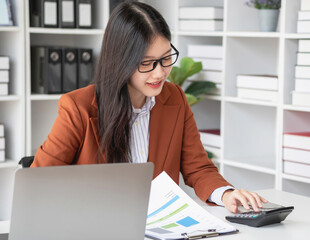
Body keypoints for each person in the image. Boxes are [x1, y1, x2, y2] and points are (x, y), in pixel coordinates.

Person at [31, 1, 267, 213]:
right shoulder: (78, 107)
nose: (160, 72)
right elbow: (39, 182)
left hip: (159, 226)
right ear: (120, 62)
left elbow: (198, 168)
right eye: (146, 63)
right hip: (96, 225)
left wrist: (225, 194)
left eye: (166, 58)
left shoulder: (175, 99)